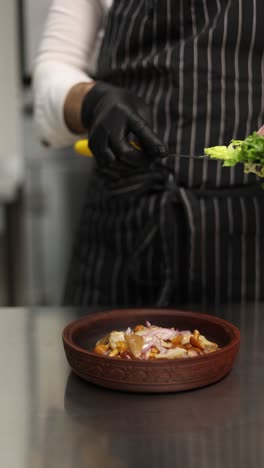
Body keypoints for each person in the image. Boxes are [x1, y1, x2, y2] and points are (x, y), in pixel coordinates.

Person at [33, 0, 264, 307]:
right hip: (120, 226)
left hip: (247, 233)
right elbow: (54, 64)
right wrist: (93, 102)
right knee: (101, 352)